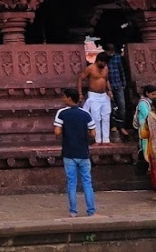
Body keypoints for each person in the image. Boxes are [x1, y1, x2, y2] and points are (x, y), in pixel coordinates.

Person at [54, 87, 96, 217]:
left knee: (72, 183)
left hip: (69, 152)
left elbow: (57, 132)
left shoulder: (62, 113)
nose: (63, 98)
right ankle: (91, 211)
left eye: (64, 96)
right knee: (87, 182)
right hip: (83, 152)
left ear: (69, 98)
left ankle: (73, 211)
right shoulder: (85, 114)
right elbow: (93, 133)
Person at [76, 53, 113, 144]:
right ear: (98, 60)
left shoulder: (106, 68)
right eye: (103, 62)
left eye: (105, 63)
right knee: (96, 118)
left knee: (106, 117)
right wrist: (80, 93)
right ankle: (97, 140)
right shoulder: (90, 68)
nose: (104, 65)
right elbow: (80, 79)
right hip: (93, 95)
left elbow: (106, 79)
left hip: (104, 95)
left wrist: (110, 90)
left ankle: (106, 140)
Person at [103, 44, 129, 138]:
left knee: (122, 106)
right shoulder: (102, 58)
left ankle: (121, 125)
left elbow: (121, 70)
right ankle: (113, 125)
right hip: (107, 86)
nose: (111, 53)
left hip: (118, 85)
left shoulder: (117, 57)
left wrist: (123, 83)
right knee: (110, 107)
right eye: (109, 51)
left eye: (112, 51)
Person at [134, 86, 156, 162]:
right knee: (145, 144)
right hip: (144, 127)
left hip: (149, 126)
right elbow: (147, 115)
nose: (155, 96)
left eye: (155, 95)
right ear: (147, 93)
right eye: (153, 94)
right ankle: (147, 160)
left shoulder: (150, 102)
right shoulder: (143, 103)